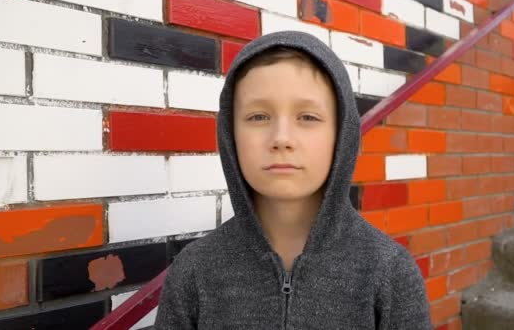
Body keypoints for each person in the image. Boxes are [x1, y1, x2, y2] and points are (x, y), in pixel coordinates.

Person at [155, 30, 432, 329]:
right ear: (229, 135)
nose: (282, 139)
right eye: (258, 117)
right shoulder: (194, 271)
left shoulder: (390, 271)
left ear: (342, 135)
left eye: (308, 117)